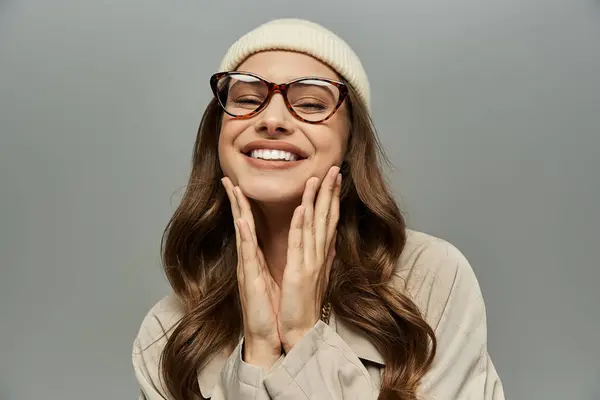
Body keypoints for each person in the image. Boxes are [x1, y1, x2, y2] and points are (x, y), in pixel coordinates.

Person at [132, 18, 505, 400]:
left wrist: (304, 337)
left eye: (310, 103)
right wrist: (258, 352)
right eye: (246, 99)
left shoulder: (432, 280)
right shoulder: (168, 333)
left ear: (349, 145)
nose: (272, 120)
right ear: (218, 134)